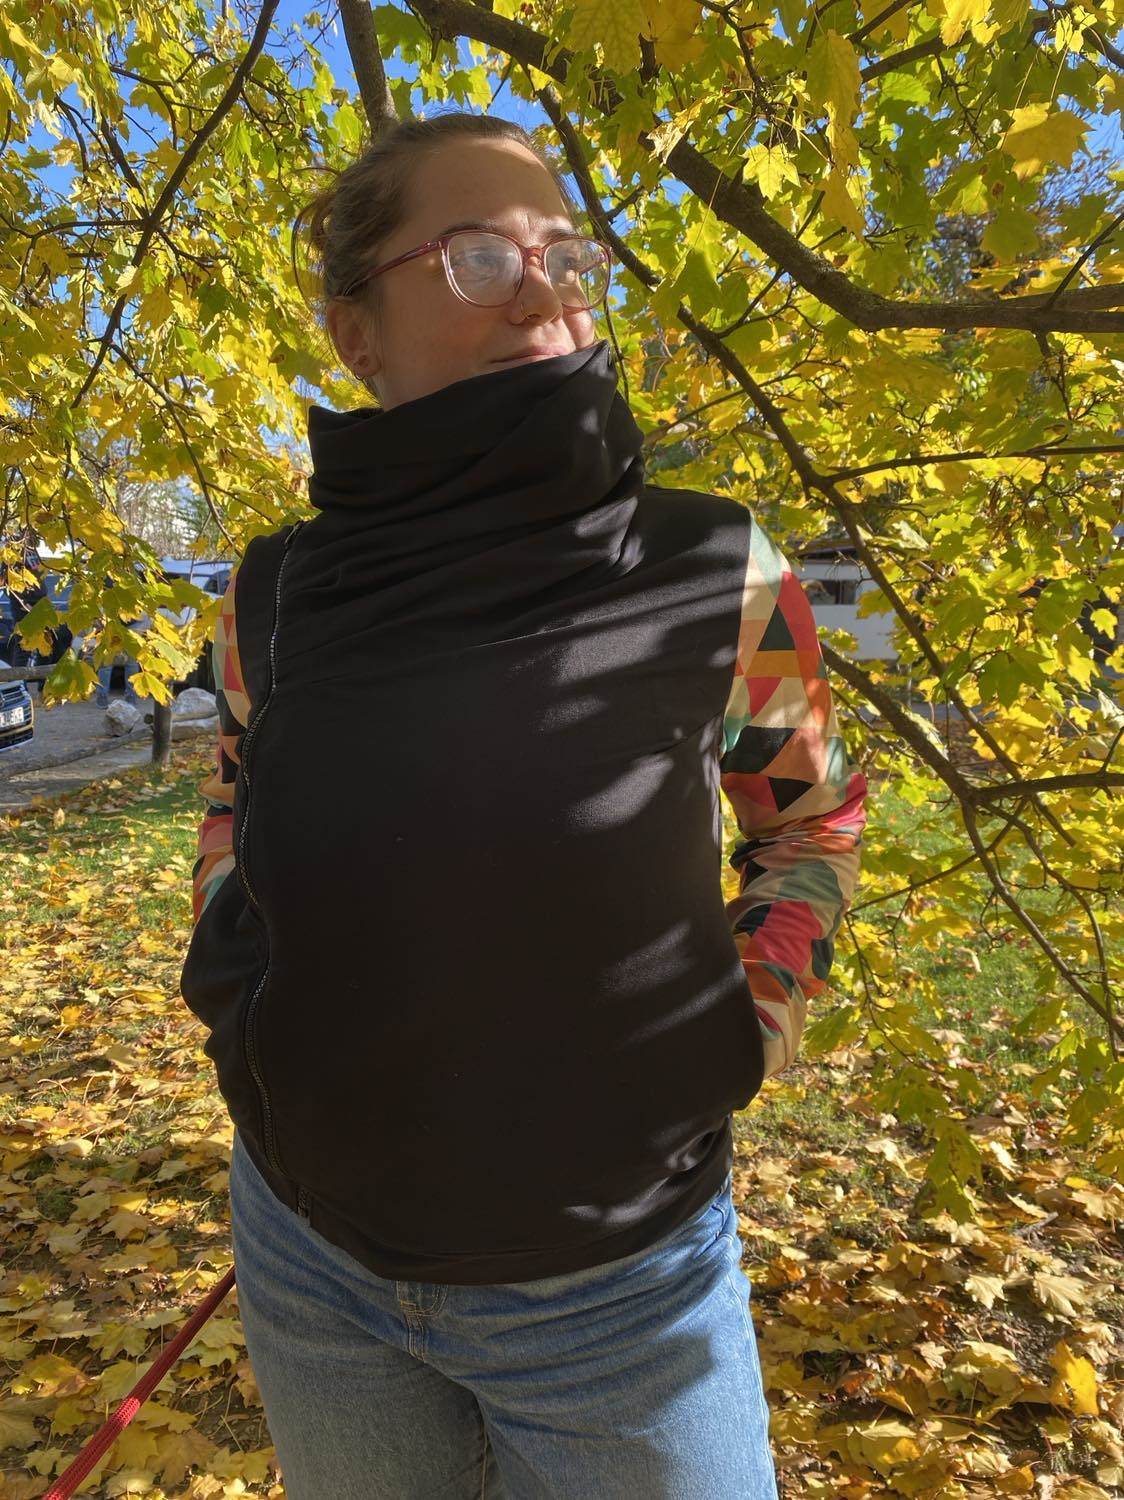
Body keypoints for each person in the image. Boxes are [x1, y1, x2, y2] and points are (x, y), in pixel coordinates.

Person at [180, 110, 868, 1499]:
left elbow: (810, 823)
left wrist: (746, 1028)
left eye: (564, 254)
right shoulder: (272, 593)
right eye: (479, 256)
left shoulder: (713, 568)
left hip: (621, 1301)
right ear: (356, 332)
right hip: (316, 1267)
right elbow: (237, 806)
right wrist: (240, 995)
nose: (544, 291)